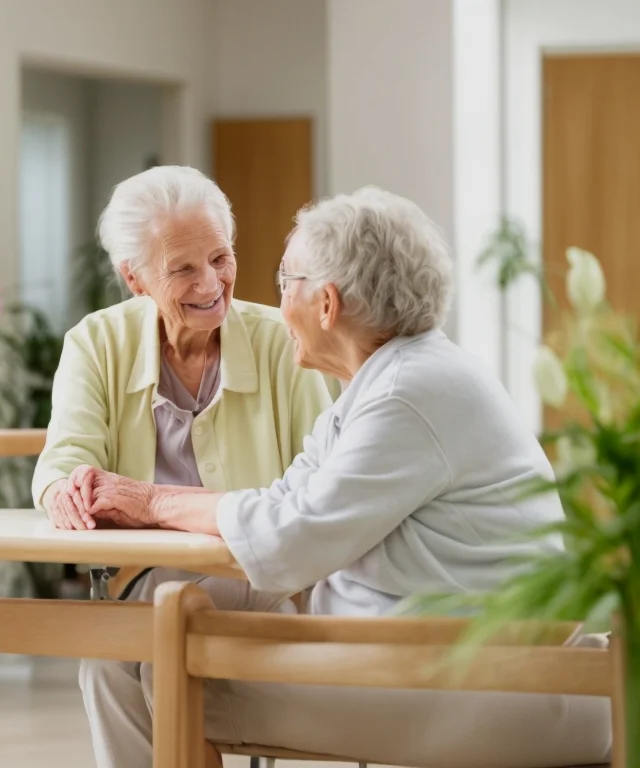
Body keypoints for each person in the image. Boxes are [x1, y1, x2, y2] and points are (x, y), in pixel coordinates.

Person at [72, 187, 611, 768]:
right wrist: (153, 500)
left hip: (481, 688)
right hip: (443, 661)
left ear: (326, 304)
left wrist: (153, 502)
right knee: (142, 645)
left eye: (285, 282)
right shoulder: (391, 379)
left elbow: (290, 538)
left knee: (173, 676)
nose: (275, 303)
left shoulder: (406, 393)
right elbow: (284, 502)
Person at [31, 166, 337, 766]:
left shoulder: (281, 341)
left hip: (259, 573)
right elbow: (64, 459)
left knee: (163, 654)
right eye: (183, 269)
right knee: (104, 665)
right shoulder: (96, 342)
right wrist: (66, 490)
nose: (211, 283)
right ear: (134, 278)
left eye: (220, 258)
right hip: (148, 581)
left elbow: (324, 479)